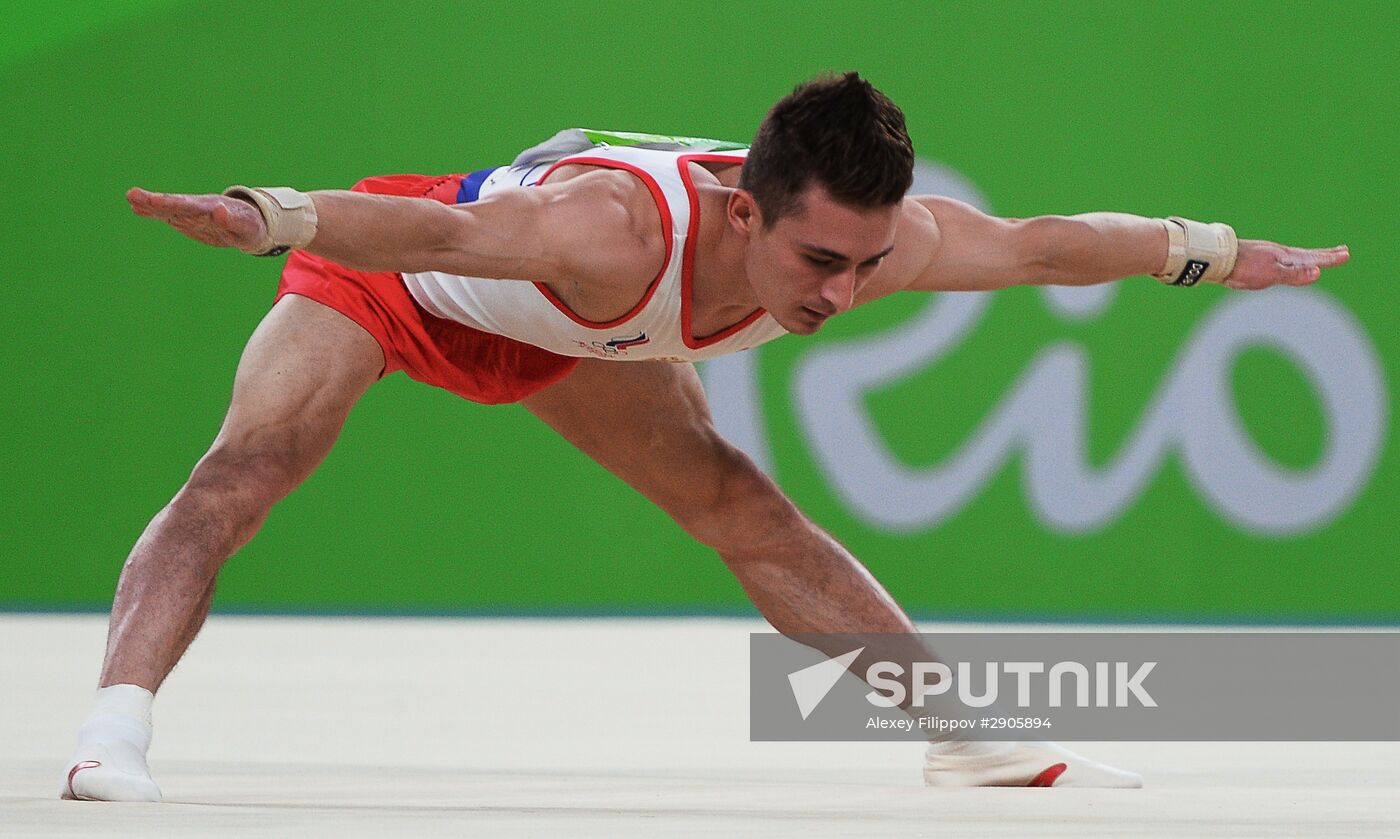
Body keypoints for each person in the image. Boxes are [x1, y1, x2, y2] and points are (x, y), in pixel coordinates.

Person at [61, 72, 1348, 801]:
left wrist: (1220, 253)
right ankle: (113, 729)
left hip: (577, 341)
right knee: (247, 470)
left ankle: (976, 745)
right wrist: (278, 217)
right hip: (396, 283)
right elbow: (442, 240)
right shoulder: (604, 230)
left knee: (744, 508)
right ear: (739, 211)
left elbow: (1055, 242)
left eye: (862, 262)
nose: (841, 296)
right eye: (817, 260)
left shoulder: (878, 245)